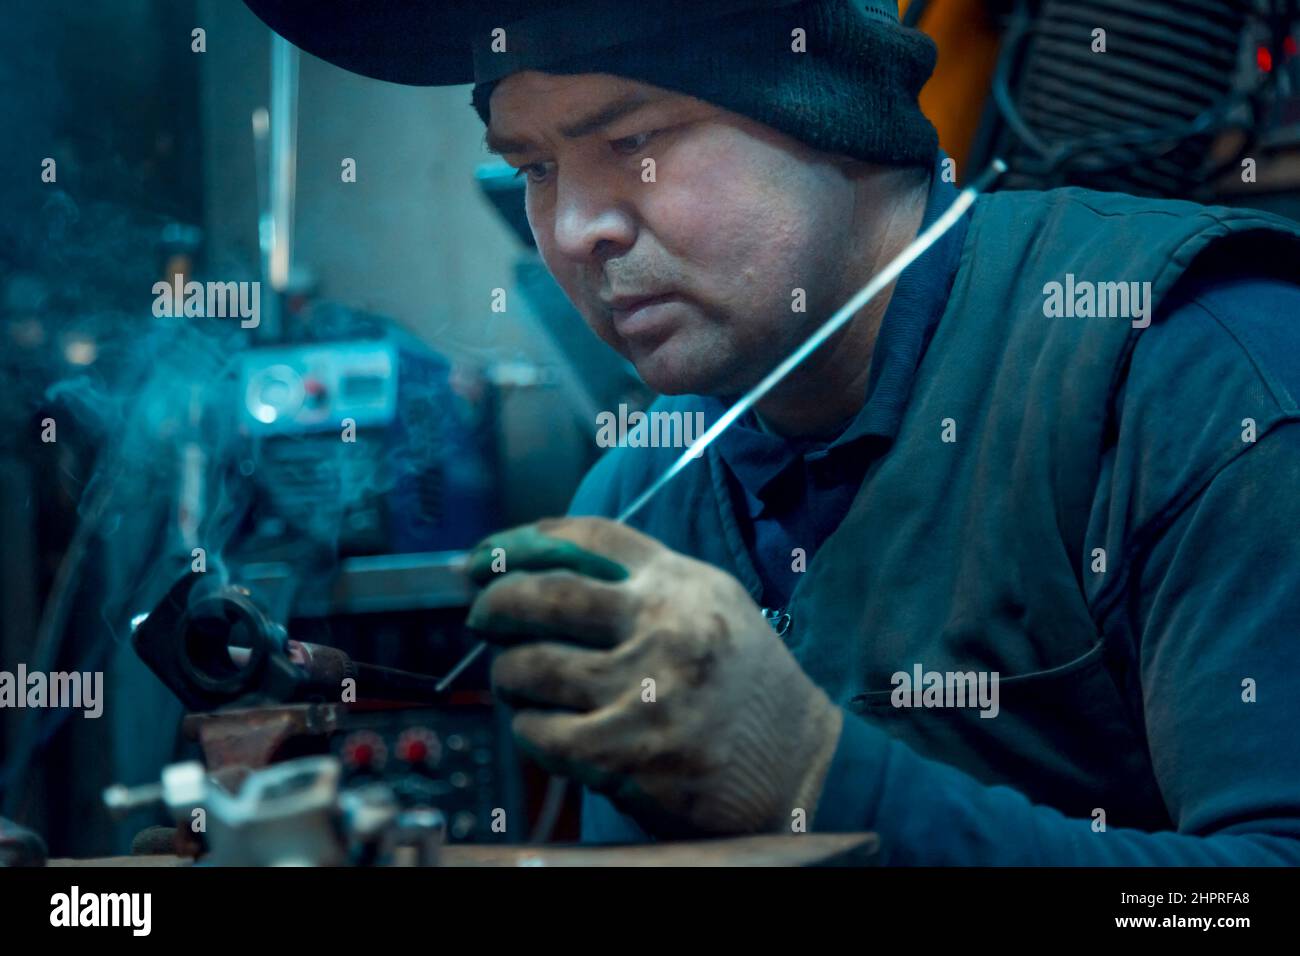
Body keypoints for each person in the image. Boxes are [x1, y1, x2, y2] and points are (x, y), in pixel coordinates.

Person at [246, 0, 1300, 863]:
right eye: (534, 168)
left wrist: (817, 777)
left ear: (830, 114)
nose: (575, 229)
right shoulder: (636, 496)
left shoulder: (1178, 364)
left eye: (634, 142)